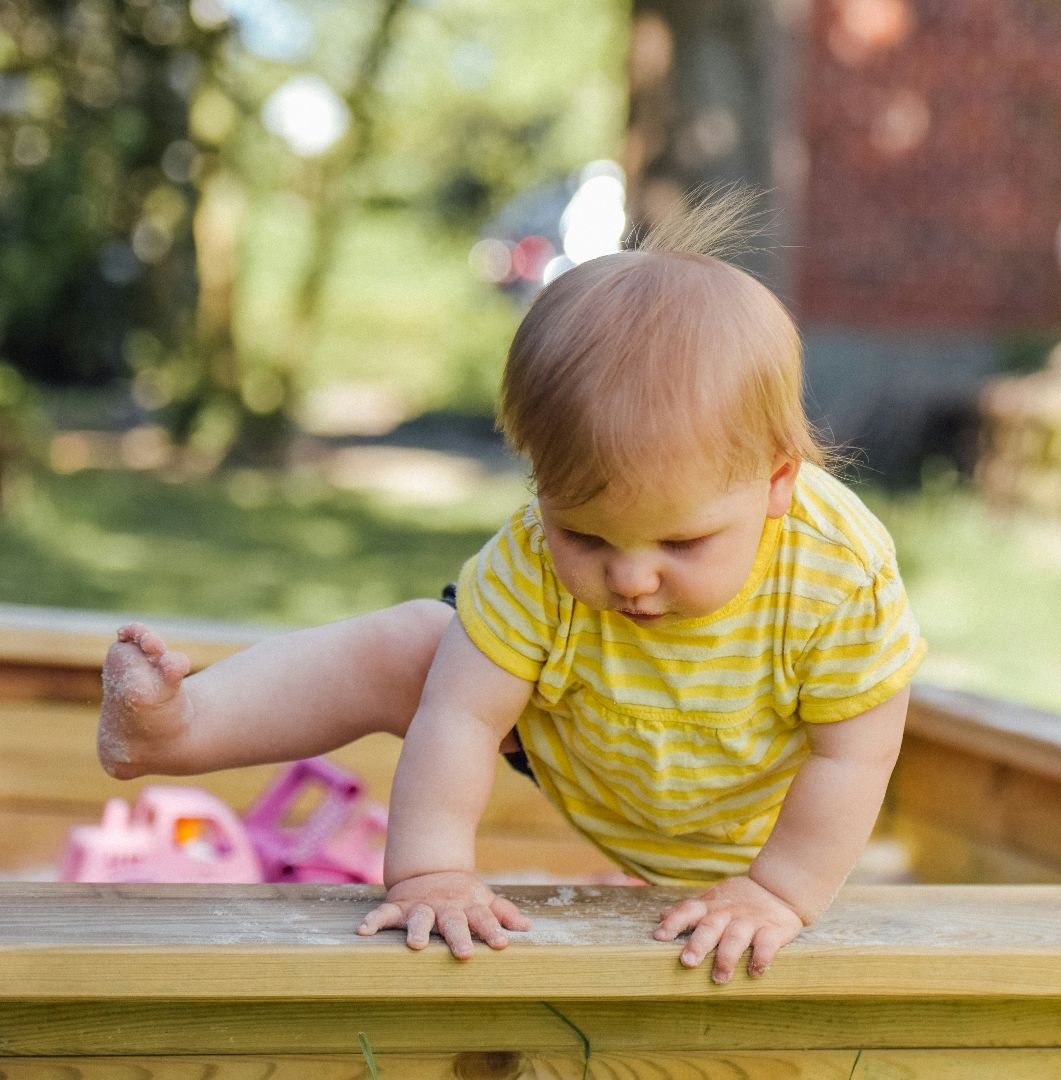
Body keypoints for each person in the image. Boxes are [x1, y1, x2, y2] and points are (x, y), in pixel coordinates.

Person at [94, 189, 927, 983]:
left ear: (778, 483)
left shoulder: (835, 573)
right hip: (588, 738)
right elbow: (460, 718)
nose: (631, 578)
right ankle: (179, 728)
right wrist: (430, 874)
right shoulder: (529, 558)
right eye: (585, 535)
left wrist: (778, 891)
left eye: (683, 540)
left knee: (814, 791)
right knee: (416, 646)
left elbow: (855, 752)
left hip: (758, 813)